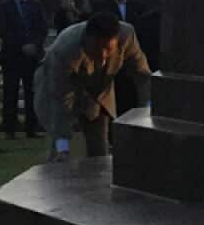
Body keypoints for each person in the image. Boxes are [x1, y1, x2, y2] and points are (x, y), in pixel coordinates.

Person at [35, 12, 151, 161]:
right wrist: (62, 148)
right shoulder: (64, 51)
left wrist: (146, 111)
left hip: (98, 91)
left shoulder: (127, 36)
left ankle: (99, 176)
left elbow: (143, 76)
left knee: (100, 151)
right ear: (86, 40)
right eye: (96, 49)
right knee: (61, 152)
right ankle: (57, 162)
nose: (102, 56)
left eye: (108, 49)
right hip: (56, 89)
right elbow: (60, 103)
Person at [0, 0, 47, 139]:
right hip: (12, 55)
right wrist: (22, 46)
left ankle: (31, 128)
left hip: (32, 56)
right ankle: (9, 128)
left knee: (32, 92)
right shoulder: (4, 6)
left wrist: (35, 45)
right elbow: (3, 30)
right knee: (10, 92)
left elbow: (42, 27)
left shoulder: (35, 4)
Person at [106, 0, 148, 122]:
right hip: (112, 59)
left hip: (133, 59)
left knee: (134, 98)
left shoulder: (139, 7)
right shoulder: (104, 8)